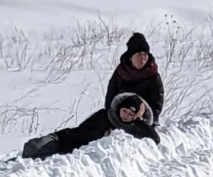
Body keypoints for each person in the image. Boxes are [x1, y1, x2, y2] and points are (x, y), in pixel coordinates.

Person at [21, 33, 164, 159]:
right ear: (131, 56)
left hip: (138, 117)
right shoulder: (121, 72)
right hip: (115, 113)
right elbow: (111, 93)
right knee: (83, 132)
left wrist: (144, 118)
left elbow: (157, 102)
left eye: (145, 54)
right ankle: (52, 142)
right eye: (139, 54)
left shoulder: (152, 76)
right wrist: (112, 113)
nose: (143, 58)